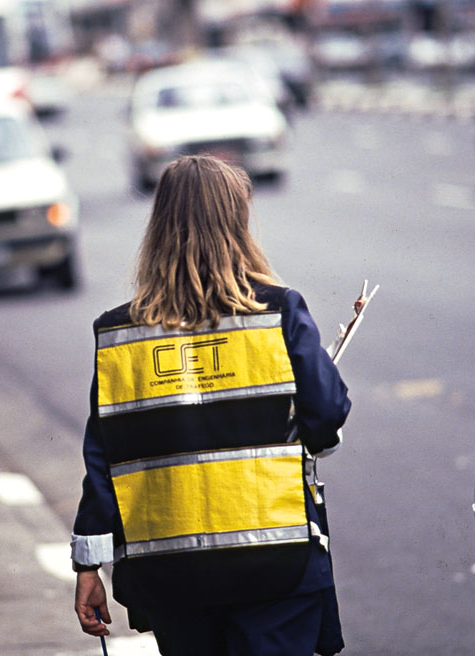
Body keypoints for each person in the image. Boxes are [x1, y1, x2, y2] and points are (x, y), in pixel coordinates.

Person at [71, 155, 351, 655]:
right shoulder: (278, 312)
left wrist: (89, 564)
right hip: (275, 565)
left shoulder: (119, 335)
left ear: (159, 227)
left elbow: (104, 458)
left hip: (171, 575)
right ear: (237, 224)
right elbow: (326, 414)